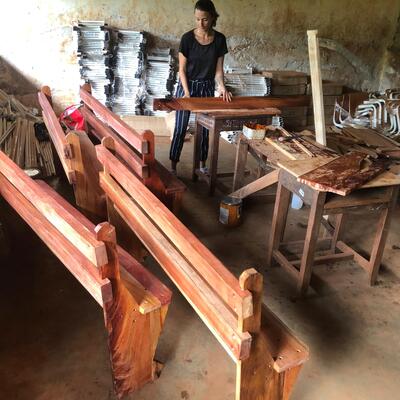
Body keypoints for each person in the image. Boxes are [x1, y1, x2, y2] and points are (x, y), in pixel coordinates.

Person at [169, 0, 232, 175]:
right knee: (180, 127)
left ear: (212, 18)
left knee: (204, 129)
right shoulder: (187, 39)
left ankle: (202, 165)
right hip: (186, 86)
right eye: (197, 19)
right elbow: (181, 70)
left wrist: (222, 87)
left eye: (204, 19)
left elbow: (218, 71)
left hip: (206, 87)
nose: (201, 23)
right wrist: (187, 93)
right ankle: (173, 166)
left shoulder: (220, 40)